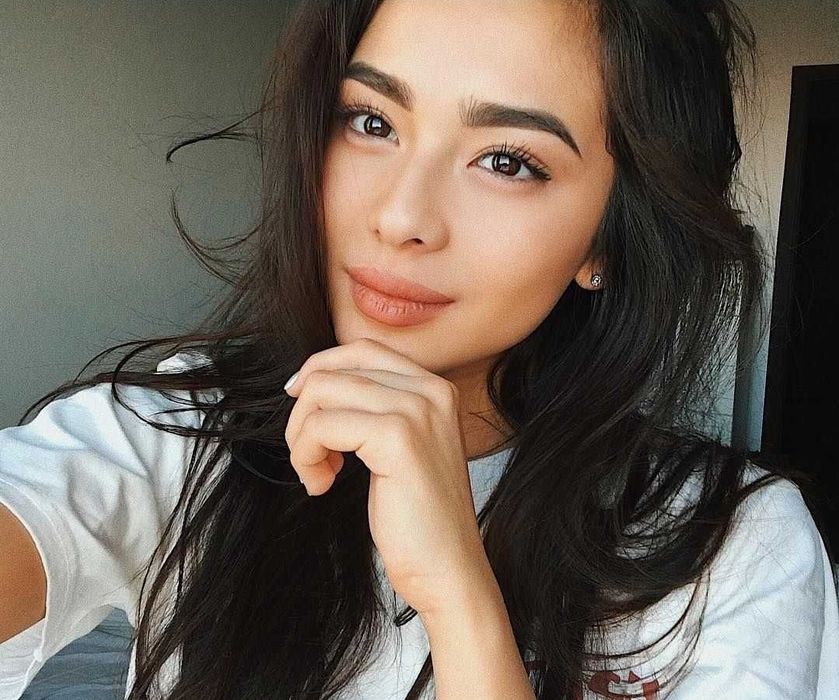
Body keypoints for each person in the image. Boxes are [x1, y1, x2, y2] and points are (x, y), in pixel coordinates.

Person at [1, 0, 837, 698]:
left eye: (506, 160)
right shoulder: (183, 434)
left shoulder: (734, 544)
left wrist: (458, 601)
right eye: (370, 121)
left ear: (607, 240)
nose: (400, 216)